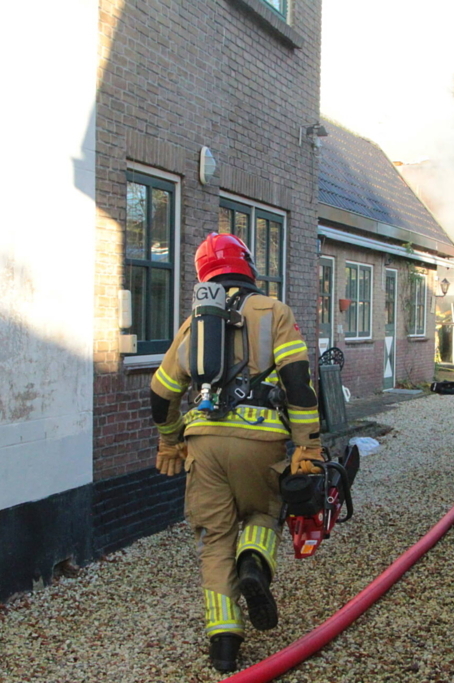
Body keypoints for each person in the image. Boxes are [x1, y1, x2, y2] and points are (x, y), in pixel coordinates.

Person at [148, 232, 322, 672]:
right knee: (264, 511)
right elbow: (298, 383)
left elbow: (160, 393)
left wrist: (170, 440)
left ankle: (224, 644)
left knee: (214, 538)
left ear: (203, 273)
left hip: (202, 445)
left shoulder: (193, 325)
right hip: (260, 443)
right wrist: (308, 445)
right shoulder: (274, 311)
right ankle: (254, 563)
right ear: (247, 266)